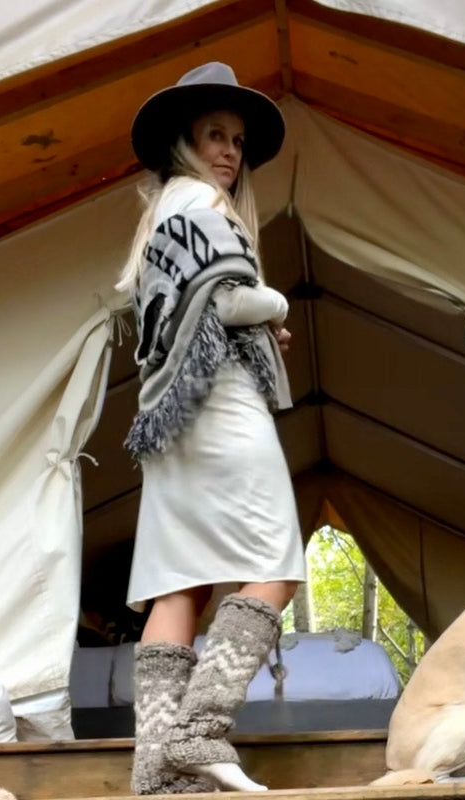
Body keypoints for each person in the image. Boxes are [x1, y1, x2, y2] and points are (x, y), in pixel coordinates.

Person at [115, 62, 305, 795]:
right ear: (184, 143)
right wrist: (276, 305)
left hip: (172, 419)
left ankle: (157, 770)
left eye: (237, 140)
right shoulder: (199, 202)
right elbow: (224, 302)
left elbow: (192, 313)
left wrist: (256, 329)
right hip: (221, 412)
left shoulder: (163, 210)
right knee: (275, 562)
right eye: (214, 135)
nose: (230, 151)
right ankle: (199, 733)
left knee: (179, 586)